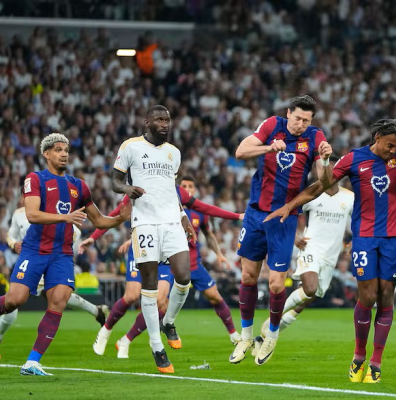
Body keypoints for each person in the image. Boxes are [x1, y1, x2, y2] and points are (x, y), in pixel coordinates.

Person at [265, 119, 396, 383]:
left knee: (386, 297)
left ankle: (376, 362)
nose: (393, 150)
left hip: (394, 236)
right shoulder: (353, 158)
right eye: (389, 145)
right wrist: (290, 206)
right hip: (365, 237)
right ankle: (359, 355)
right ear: (377, 137)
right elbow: (322, 185)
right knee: (367, 296)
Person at [0, 133, 130, 376]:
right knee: (14, 300)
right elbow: (32, 214)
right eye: (58, 150)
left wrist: (120, 219)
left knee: (59, 300)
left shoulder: (79, 185)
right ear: (46, 154)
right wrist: (65, 217)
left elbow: (99, 220)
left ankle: (32, 362)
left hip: (61, 254)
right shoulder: (35, 178)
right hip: (34, 250)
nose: (64, 154)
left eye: (66, 150)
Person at [83, 184, 243, 358]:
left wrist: (236, 216)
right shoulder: (140, 185)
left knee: (161, 301)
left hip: (167, 251)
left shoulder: (176, 191)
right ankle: (105, 331)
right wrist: (93, 237)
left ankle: (144, 339)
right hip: (143, 244)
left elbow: (203, 208)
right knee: (131, 296)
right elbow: (116, 213)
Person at [231, 95, 329, 366]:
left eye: (306, 120)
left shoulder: (315, 137)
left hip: (285, 218)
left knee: (276, 283)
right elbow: (240, 151)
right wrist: (268, 148)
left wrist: (325, 160)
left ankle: (272, 336)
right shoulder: (272, 125)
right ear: (288, 113)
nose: (300, 124)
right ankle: (246, 337)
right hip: (256, 213)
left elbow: (324, 183)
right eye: (297, 118)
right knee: (248, 276)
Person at [111, 105, 195, 374]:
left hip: (171, 222)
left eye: (167, 120)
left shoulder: (174, 153)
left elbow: (171, 190)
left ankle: (168, 321)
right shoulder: (131, 147)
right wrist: (127, 189)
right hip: (145, 223)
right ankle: (157, 346)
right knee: (149, 284)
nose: (164, 124)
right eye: (159, 119)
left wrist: (183, 217)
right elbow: (115, 181)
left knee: (184, 277)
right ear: (146, 122)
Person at [257, 158, 354, 342]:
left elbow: (360, 220)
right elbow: (287, 211)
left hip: (331, 256)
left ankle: (266, 338)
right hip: (311, 248)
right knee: (310, 288)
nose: (327, 171)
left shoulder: (349, 197)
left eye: (332, 168)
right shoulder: (312, 193)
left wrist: (355, 240)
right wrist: (293, 236)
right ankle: (273, 318)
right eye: (324, 168)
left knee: (305, 301)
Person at [0, 196, 110, 357]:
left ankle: (33, 359)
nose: (26, 199)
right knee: (13, 303)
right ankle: (96, 311)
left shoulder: (51, 211)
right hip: (28, 262)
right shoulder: (19, 214)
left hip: (49, 262)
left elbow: (75, 232)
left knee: (58, 296)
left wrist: (61, 248)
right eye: (25, 196)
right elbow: (11, 235)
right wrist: (13, 244)